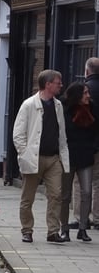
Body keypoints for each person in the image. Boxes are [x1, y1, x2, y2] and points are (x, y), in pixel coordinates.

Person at [13, 69, 69, 244]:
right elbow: (18, 134)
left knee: (56, 195)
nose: (61, 85)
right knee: (28, 197)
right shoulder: (29, 105)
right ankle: (27, 230)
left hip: (53, 158)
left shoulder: (58, 105)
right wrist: (24, 153)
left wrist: (62, 155)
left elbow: (62, 133)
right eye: (58, 82)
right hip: (34, 157)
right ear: (48, 84)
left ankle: (53, 231)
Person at [61, 82, 95, 242]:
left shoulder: (92, 108)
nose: (88, 95)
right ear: (77, 96)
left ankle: (83, 228)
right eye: (85, 93)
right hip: (68, 156)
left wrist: (94, 147)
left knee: (87, 192)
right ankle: (64, 229)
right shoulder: (64, 108)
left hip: (86, 156)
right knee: (65, 195)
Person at [83, 57, 99, 228]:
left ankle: (81, 218)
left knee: (80, 182)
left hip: (84, 143)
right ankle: (98, 218)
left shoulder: (83, 90)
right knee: (97, 182)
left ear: (87, 71)